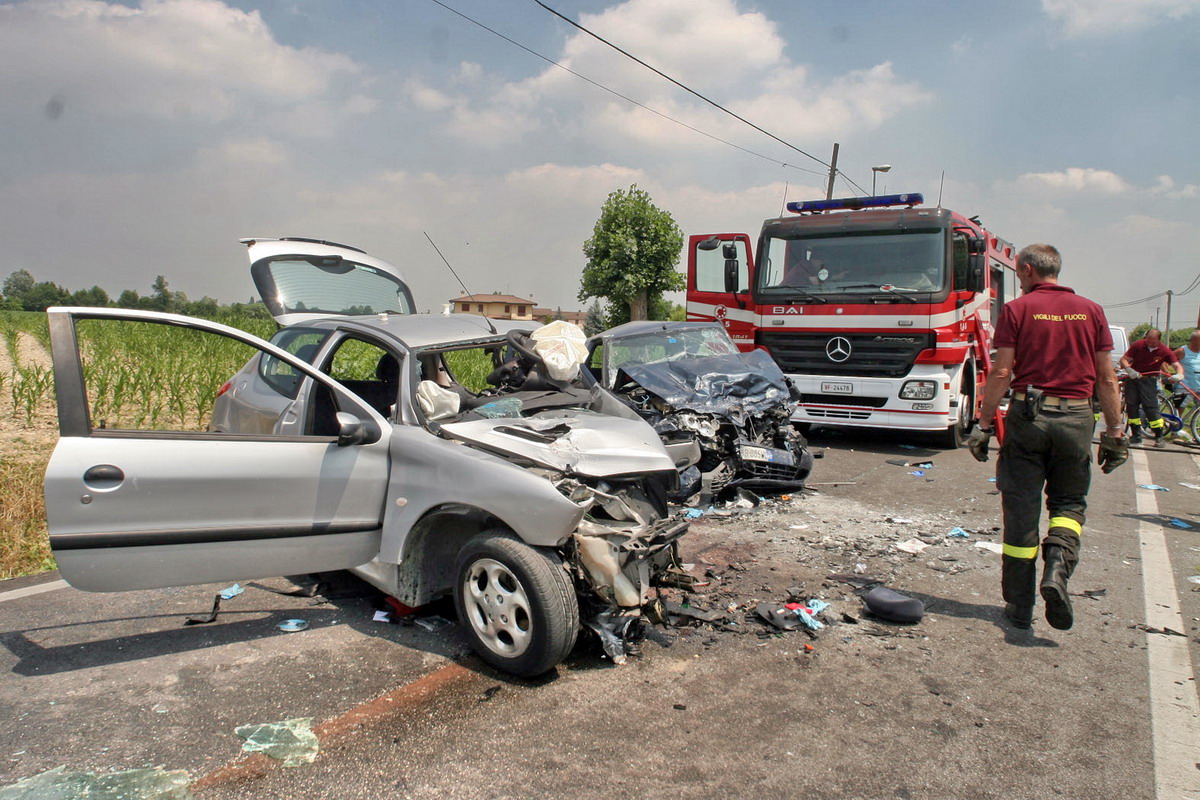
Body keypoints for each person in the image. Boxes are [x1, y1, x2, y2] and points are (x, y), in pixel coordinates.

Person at [967, 244, 1126, 632]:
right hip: (1076, 419)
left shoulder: (1018, 310)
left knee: (1021, 512)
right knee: (1069, 504)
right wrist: (1116, 432)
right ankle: (1057, 567)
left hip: (1029, 416)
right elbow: (1107, 378)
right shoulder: (1092, 311)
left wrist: (983, 426)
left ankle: (1020, 608)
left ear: (1024, 270)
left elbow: (1001, 374)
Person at [1119, 328, 1180, 447]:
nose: (1149, 343)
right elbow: (1124, 360)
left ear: (1159, 340)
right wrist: (1129, 369)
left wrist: (1179, 374)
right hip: (1134, 379)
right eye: (1148, 340)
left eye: (1152, 341)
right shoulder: (1139, 345)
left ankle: (1159, 436)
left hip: (1149, 381)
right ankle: (1136, 435)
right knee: (1131, 406)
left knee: (1151, 407)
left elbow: (1177, 365)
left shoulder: (1164, 351)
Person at [1173, 330, 1200, 403]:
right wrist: (1168, 373)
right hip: (1184, 386)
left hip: (1198, 385)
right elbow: (1166, 360)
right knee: (1180, 409)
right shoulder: (1182, 351)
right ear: (1193, 340)